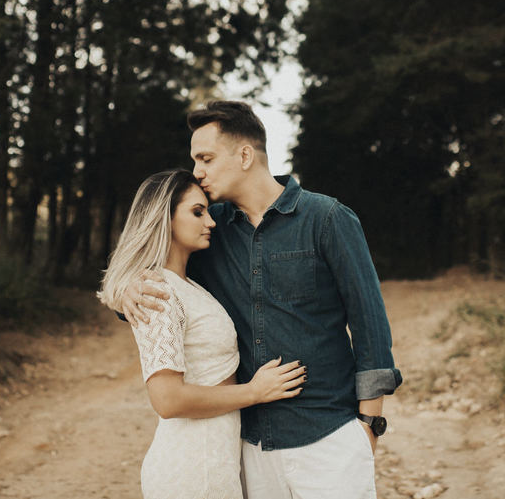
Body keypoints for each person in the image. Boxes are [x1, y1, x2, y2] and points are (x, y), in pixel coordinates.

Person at [118, 101, 402, 499]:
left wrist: (369, 428)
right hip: (250, 449)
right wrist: (126, 287)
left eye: (206, 158)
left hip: (329, 438)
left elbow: (371, 327)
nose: (197, 171)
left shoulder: (327, 219)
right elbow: (164, 279)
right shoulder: (210, 231)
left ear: (245, 155)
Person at [99, 169, 308, 499]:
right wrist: (254, 392)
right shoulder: (156, 291)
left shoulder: (188, 284)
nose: (210, 222)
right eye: (197, 212)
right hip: (194, 471)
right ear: (163, 218)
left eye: (207, 210)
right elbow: (167, 400)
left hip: (215, 462)